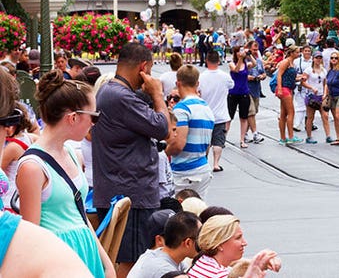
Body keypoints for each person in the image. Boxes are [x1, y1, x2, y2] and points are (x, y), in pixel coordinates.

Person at [16, 72, 115, 278]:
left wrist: (106, 263)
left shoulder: (71, 153)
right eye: (93, 116)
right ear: (73, 117)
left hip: (84, 252)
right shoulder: (32, 166)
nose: (94, 123)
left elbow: (79, 214)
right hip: (57, 260)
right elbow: (30, 237)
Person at [93, 42, 170, 276]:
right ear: (143, 68)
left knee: (121, 258)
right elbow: (162, 127)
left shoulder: (110, 92)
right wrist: (157, 94)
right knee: (131, 262)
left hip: (121, 188)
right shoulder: (121, 97)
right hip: (131, 192)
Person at [164, 65, 215, 198]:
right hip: (202, 168)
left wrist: (162, 156)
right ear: (197, 83)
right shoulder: (206, 107)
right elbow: (208, 145)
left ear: (178, 83)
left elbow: (178, 144)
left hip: (184, 172)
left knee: (179, 215)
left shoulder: (182, 108)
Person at [189, 214, 280, 278]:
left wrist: (260, 263)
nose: (245, 242)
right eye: (238, 238)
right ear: (219, 244)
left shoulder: (204, 262)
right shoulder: (218, 274)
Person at [128, 212, 201, 278]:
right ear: (188, 243)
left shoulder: (157, 253)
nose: (203, 243)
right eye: (201, 238)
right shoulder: (164, 270)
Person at [198, 52, 233, 173]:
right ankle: (216, 164)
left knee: (206, 140)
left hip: (206, 114)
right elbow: (231, 86)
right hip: (220, 114)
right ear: (218, 61)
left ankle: (205, 162)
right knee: (219, 140)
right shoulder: (225, 76)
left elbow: (198, 91)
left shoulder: (201, 77)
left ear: (207, 60)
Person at [298, 52, 330, 144]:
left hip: (321, 96)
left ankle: (328, 135)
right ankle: (309, 136)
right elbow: (303, 82)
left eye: (320, 58)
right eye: (317, 58)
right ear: (313, 59)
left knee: (325, 116)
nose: (318, 59)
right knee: (310, 117)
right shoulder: (308, 70)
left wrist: (325, 93)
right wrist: (311, 88)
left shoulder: (324, 70)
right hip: (311, 96)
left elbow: (325, 83)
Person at [226, 49, 252, 149]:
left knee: (244, 117)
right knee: (229, 117)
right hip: (233, 93)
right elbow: (236, 70)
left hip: (244, 93)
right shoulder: (232, 63)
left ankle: (242, 139)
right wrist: (241, 59)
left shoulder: (246, 64)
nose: (241, 53)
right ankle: (223, 138)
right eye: (239, 51)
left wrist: (250, 55)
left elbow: (254, 64)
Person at [274, 49, 298, 144]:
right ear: (291, 53)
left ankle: (283, 138)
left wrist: (299, 78)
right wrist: (279, 88)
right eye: (296, 52)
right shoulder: (286, 62)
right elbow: (279, 75)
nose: (298, 54)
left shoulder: (292, 62)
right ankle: (291, 137)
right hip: (284, 89)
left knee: (283, 114)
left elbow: (289, 76)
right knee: (291, 112)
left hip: (288, 88)